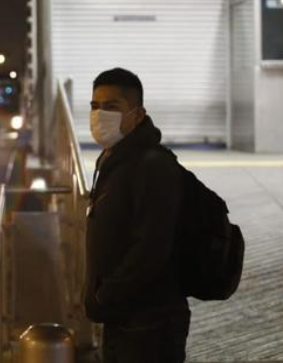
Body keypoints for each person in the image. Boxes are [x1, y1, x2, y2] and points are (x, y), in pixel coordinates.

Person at [84, 68, 190, 362]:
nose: (99, 115)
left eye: (111, 106)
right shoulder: (114, 159)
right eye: (94, 106)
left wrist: (105, 295)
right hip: (122, 318)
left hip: (149, 323)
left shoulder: (153, 166)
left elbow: (151, 248)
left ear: (138, 114)